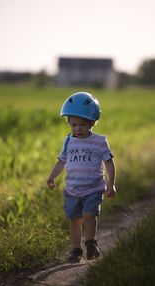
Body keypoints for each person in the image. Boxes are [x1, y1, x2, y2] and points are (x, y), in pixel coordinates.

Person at [47, 92, 116, 263]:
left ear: (92, 122)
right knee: (75, 220)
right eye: (74, 124)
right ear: (69, 122)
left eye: (83, 125)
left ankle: (91, 243)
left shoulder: (100, 141)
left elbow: (108, 163)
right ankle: (76, 250)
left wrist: (111, 184)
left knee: (89, 214)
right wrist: (51, 177)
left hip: (93, 188)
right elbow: (61, 161)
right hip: (72, 190)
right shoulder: (68, 141)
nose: (78, 128)